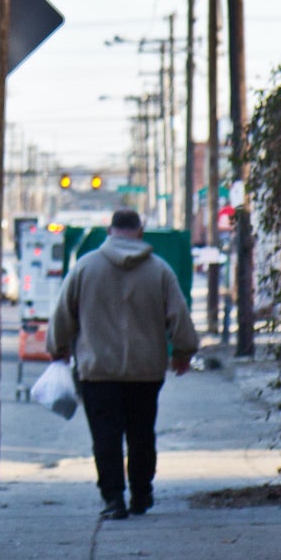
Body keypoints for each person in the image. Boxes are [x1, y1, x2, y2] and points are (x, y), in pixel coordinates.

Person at [48, 208, 196, 521]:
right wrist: (183, 351)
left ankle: (113, 498)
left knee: (105, 436)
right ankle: (142, 493)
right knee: (142, 433)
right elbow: (179, 315)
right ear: (140, 232)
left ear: (109, 231)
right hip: (146, 370)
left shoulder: (85, 268)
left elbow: (63, 314)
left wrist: (58, 347)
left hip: (97, 370)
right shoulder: (160, 271)